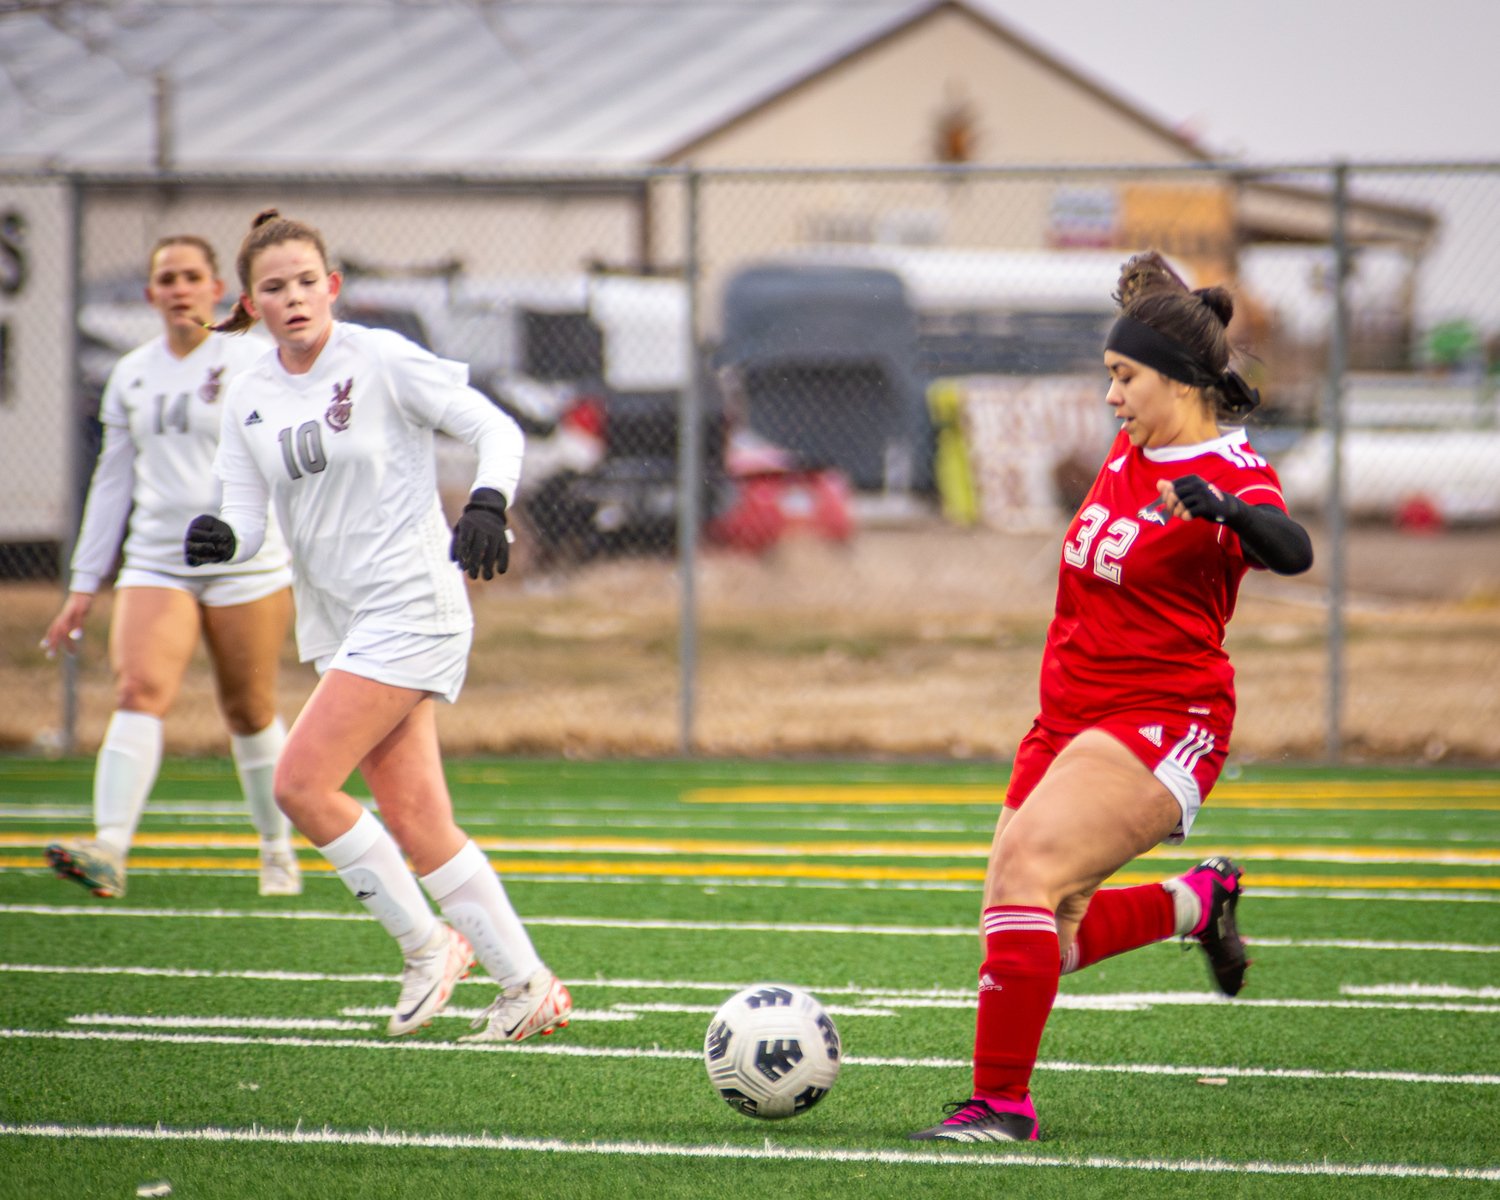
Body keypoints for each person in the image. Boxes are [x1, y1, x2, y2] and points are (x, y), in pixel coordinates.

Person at [910, 251, 1313, 1144]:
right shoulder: (1134, 446)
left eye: (1124, 377)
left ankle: (1001, 1107)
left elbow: (1293, 549)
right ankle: (1196, 903)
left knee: (1024, 878)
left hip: (1163, 720)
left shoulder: (1230, 473)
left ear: (1176, 381)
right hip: (1062, 721)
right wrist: (1153, 300)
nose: (1111, 397)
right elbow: (1164, 324)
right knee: (1043, 940)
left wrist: (1228, 513)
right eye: (1110, 376)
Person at [183, 209, 570, 1041]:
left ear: (334, 286)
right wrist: (223, 537)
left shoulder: (380, 359)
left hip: (412, 603)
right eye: (273, 287)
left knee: (298, 783)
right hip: (341, 623)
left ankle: (429, 946)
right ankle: (527, 987)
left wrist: (489, 503)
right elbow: (246, 517)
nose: (293, 297)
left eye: (305, 281)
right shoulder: (247, 394)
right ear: (249, 303)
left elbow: (493, 427)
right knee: (419, 821)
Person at [43, 234, 301, 901]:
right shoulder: (131, 373)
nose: (180, 288)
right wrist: (82, 585)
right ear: (150, 292)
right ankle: (110, 846)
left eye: (192, 276)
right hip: (158, 560)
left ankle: (277, 848)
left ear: (219, 288)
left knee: (248, 710)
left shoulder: (251, 359)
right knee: (139, 692)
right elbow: (112, 481)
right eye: (167, 278)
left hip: (246, 562)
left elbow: (291, 455)